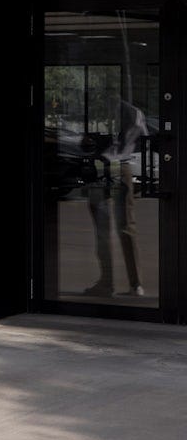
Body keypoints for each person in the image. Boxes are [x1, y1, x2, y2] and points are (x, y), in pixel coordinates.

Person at [83, 99, 147, 298]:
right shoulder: (133, 112)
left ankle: (108, 282)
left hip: (107, 166)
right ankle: (134, 284)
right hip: (120, 167)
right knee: (125, 226)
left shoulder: (116, 110)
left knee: (106, 227)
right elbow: (142, 138)